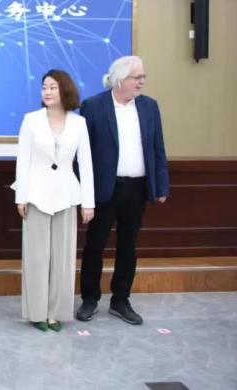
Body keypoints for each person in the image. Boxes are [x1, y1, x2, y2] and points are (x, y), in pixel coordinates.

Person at [76, 55, 169, 325]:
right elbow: (83, 153)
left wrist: (161, 185)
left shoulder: (150, 106)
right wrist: (84, 192)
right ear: (119, 80)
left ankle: (120, 300)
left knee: (129, 245)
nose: (142, 82)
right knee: (95, 244)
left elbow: (158, 148)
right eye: (136, 77)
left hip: (137, 188)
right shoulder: (94, 106)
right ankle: (89, 299)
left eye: (143, 77)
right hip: (105, 188)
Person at [13, 70, 94, 332]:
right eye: (44, 87)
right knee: (36, 257)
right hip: (35, 195)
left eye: (52, 87)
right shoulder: (31, 120)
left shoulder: (79, 123)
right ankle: (37, 312)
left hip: (67, 195)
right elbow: (23, 160)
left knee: (63, 258)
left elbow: (86, 164)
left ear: (65, 90)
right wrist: (21, 196)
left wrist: (88, 202)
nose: (47, 92)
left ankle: (56, 313)